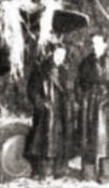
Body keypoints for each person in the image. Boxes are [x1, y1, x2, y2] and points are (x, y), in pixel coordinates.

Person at [26, 43, 76, 179]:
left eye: (63, 55)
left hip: (61, 111)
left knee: (59, 141)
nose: (61, 57)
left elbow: (69, 90)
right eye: (58, 54)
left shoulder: (64, 70)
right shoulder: (41, 70)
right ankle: (45, 173)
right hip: (47, 113)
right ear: (52, 53)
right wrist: (42, 105)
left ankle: (58, 171)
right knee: (46, 142)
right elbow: (32, 90)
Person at [76, 34, 109, 182]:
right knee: (87, 138)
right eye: (93, 43)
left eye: (98, 43)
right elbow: (78, 84)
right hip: (88, 104)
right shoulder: (85, 62)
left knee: (105, 139)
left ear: (104, 44)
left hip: (105, 105)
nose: (96, 46)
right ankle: (88, 174)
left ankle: (106, 174)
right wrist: (82, 100)